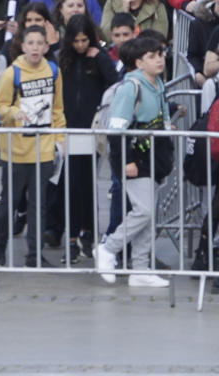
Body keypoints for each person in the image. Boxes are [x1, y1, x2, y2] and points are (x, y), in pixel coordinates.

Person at [0, 19, 65, 271]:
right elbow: (0, 107)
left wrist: (59, 139)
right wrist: (14, 113)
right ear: (22, 46)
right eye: (30, 43)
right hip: (16, 149)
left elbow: (57, 108)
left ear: (46, 46)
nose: (35, 48)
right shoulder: (13, 73)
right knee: (9, 202)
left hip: (43, 148)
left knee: (39, 204)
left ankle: (34, 254)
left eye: (39, 43)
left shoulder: (53, 71)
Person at [95, 32, 169, 284]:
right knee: (144, 210)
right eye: (152, 56)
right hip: (135, 158)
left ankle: (140, 267)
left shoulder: (159, 85)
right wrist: (126, 161)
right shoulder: (131, 88)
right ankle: (108, 248)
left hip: (154, 158)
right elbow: (116, 131)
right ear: (139, 63)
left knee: (149, 214)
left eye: (161, 54)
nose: (159, 60)